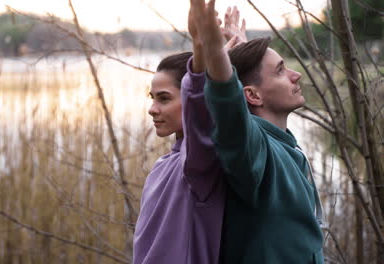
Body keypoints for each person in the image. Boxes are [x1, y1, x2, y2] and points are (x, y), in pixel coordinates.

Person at [189, 0, 325, 263]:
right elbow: (230, 117)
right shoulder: (255, 153)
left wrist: (245, 52)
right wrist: (216, 56)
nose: (295, 75)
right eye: (281, 71)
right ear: (251, 95)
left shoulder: (285, 146)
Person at [133, 7, 247, 264]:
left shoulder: (199, 166)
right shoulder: (163, 166)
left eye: (164, 98)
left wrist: (202, 49)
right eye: (153, 98)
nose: (152, 109)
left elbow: (206, 119)